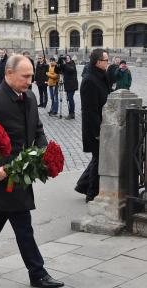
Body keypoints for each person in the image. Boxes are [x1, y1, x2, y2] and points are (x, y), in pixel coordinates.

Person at [0, 55, 64, 288]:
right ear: (9, 74)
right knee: (23, 224)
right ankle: (38, 272)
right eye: (25, 76)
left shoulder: (31, 96)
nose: (30, 80)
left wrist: (44, 152)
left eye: (32, 76)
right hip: (2, 176)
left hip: (21, 173)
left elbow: (37, 129)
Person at [75, 48, 110, 203]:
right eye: (106, 60)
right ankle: (91, 194)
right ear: (98, 62)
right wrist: (97, 132)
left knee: (97, 158)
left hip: (102, 124)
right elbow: (89, 110)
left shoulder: (102, 76)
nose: (108, 63)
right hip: (94, 127)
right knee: (98, 159)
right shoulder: (89, 80)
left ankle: (83, 185)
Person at [59, 55, 78, 120]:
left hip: (72, 85)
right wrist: (59, 61)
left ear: (70, 58)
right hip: (67, 85)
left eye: (67, 58)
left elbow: (71, 69)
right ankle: (71, 113)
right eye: (65, 58)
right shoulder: (65, 65)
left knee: (70, 98)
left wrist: (64, 64)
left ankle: (72, 113)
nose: (66, 59)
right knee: (69, 99)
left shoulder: (72, 63)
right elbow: (58, 70)